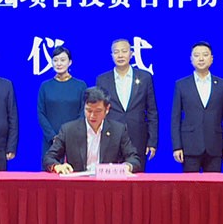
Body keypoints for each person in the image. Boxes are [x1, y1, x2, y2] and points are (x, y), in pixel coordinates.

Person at [44, 87, 140, 174]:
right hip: (77, 183)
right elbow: (49, 157)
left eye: (98, 111)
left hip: (107, 183)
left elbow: (134, 158)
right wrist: (57, 166)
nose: (92, 116)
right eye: (89, 110)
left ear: (107, 109)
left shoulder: (118, 130)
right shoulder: (68, 130)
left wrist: (127, 167)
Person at [96, 38, 159, 172]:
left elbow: (152, 111)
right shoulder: (102, 80)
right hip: (110, 136)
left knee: (137, 177)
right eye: (116, 52)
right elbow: (98, 111)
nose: (120, 55)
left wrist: (152, 141)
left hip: (138, 137)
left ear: (131, 54)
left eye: (124, 51)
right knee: (110, 178)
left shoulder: (145, 78)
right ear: (111, 55)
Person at [171, 41, 223, 172]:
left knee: (214, 184)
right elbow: (175, 118)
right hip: (189, 146)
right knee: (190, 184)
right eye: (196, 55)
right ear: (191, 59)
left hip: (215, 146)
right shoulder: (181, 85)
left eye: (205, 55)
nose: (201, 59)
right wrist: (177, 146)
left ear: (211, 59)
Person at [37, 46, 87, 165]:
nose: (59, 63)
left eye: (63, 60)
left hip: (75, 139)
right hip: (51, 141)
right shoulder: (45, 86)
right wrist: (53, 137)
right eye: (55, 60)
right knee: (50, 170)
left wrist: (72, 135)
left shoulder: (80, 85)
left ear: (70, 62)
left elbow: (83, 111)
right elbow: (41, 113)